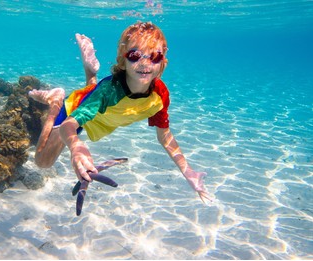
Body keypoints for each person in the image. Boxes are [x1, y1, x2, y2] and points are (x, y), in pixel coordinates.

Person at [29, 22, 211, 203]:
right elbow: (69, 125)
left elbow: (165, 137)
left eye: (154, 56)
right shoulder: (110, 91)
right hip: (75, 109)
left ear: (163, 62)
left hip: (99, 110)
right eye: (135, 55)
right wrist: (76, 147)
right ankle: (55, 100)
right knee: (42, 162)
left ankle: (90, 72)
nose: (145, 63)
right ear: (123, 60)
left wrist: (189, 172)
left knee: (95, 94)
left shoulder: (160, 94)